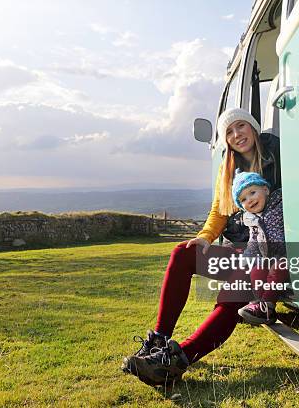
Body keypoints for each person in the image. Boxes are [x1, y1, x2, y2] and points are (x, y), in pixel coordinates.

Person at [121, 108, 282, 386]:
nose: (236, 135)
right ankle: (158, 340)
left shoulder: (277, 154)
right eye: (229, 132)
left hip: (268, 252)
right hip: (241, 248)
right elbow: (219, 211)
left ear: (253, 128)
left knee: (233, 291)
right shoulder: (228, 166)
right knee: (183, 253)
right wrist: (205, 238)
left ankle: (175, 361)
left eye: (240, 126)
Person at [230, 171, 288, 325]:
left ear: (266, 190)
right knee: (256, 270)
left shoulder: (279, 204)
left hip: (285, 254)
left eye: (252, 192)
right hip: (266, 256)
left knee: (278, 268)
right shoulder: (251, 219)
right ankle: (259, 303)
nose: (249, 200)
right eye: (243, 199)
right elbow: (253, 241)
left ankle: (267, 305)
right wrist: (247, 258)